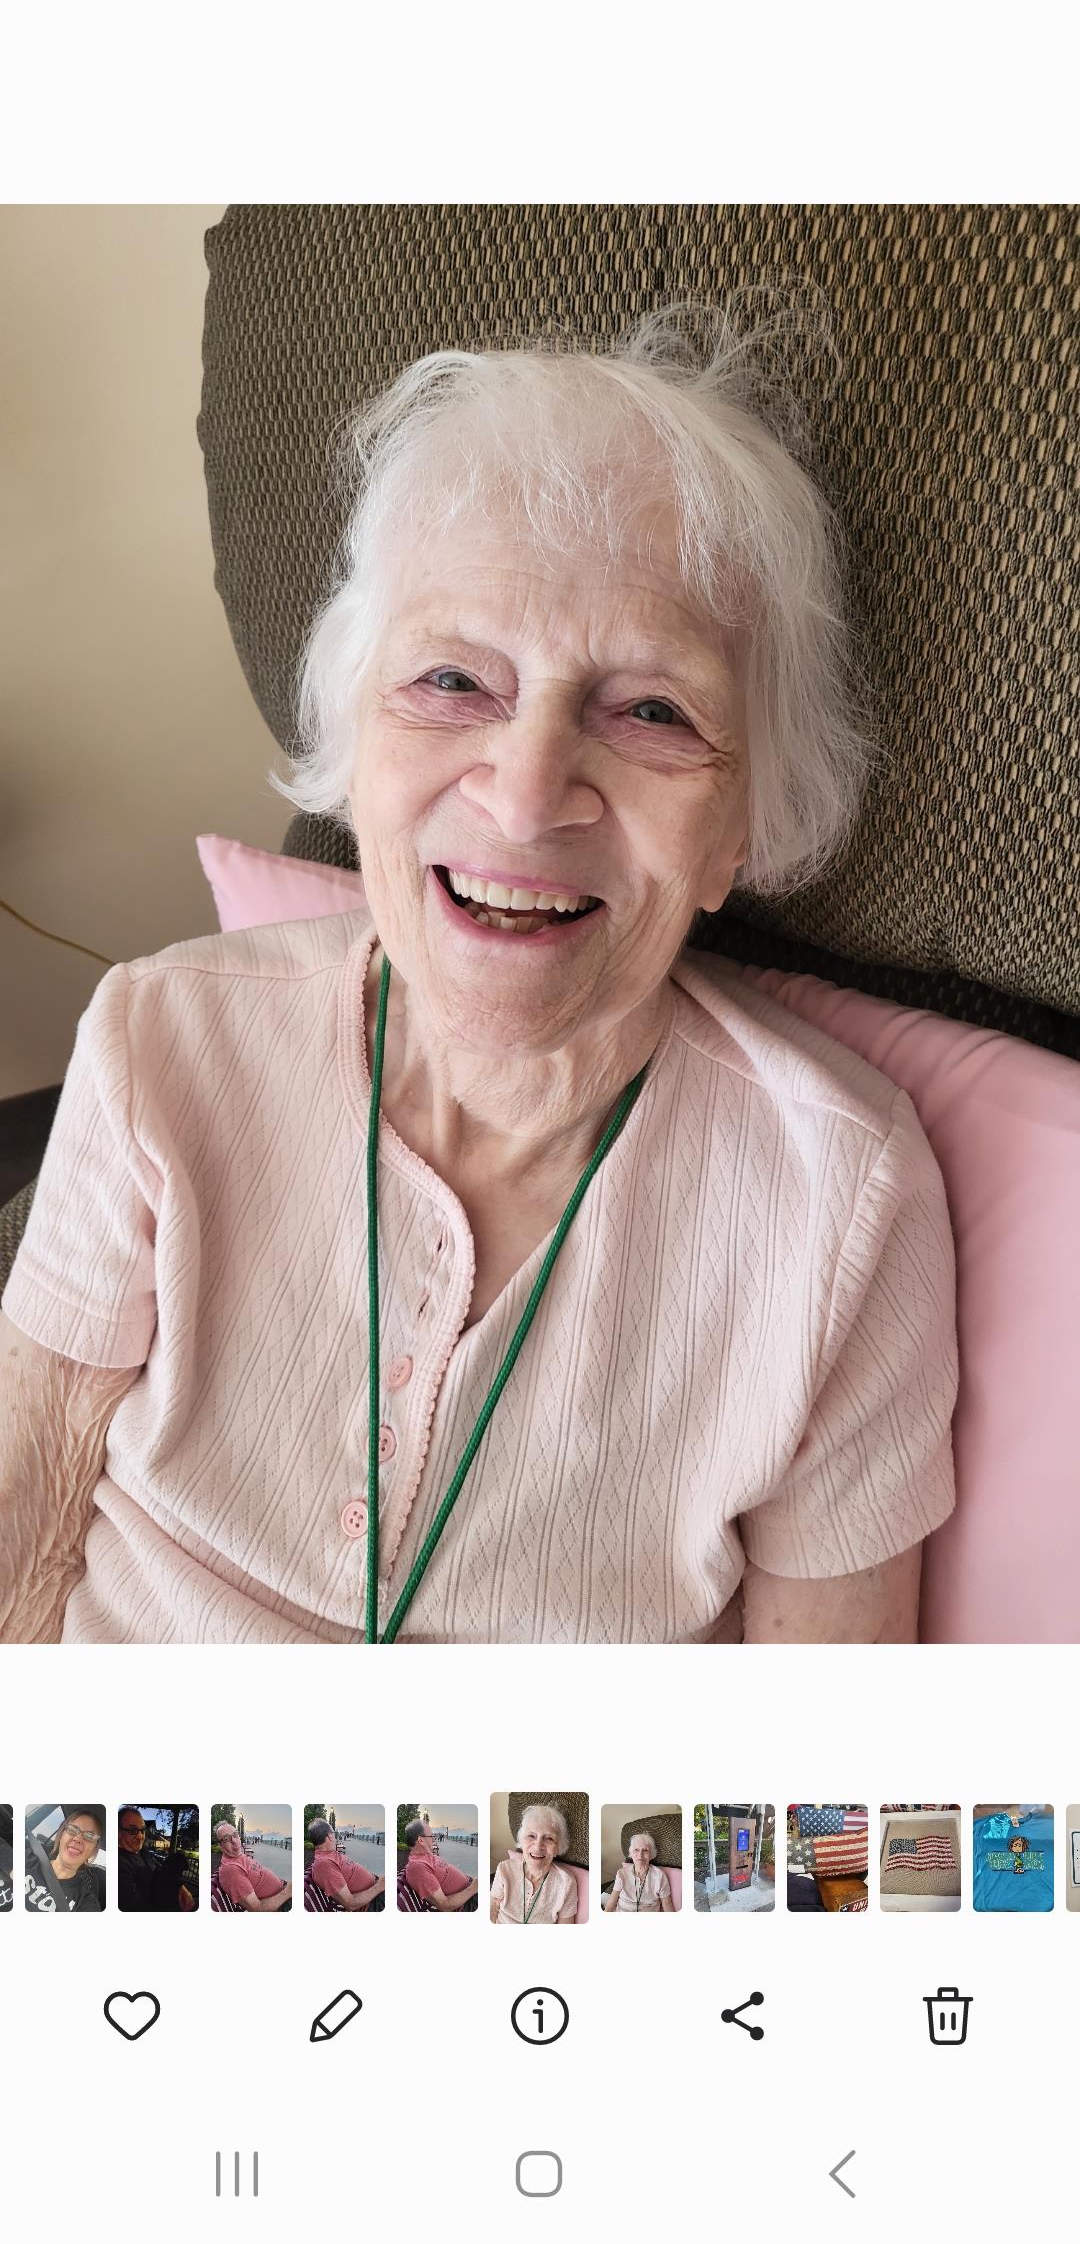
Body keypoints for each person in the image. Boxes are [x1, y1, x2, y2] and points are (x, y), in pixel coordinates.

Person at [0, 315, 958, 1647]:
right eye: (453, 679)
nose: (523, 794)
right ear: (354, 736)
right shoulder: (164, 1036)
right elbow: (23, 1519)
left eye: (652, 711)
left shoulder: (841, 1203)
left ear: (748, 822)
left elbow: (841, 1781)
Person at [490, 1804, 579, 1925]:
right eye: (531, 1836)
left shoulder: (566, 1883)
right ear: (521, 1841)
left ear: (559, 1847)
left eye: (549, 1838)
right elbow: (492, 1907)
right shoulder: (504, 1868)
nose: (538, 1846)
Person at [25, 1806, 105, 1911]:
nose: (78, 1839)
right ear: (61, 1834)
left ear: (93, 1851)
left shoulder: (86, 1902)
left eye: (89, 1836)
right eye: (72, 1829)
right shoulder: (27, 1855)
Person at [116, 1805, 196, 1910]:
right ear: (118, 1832)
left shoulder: (143, 1852)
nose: (140, 1836)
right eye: (132, 1830)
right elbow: (134, 1905)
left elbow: (160, 1869)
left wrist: (180, 1886)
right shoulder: (118, 1863)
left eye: (142, 1830)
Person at [400, 1817, 477, 1910]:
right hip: (469, 1902)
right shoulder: (417, 1867)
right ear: (421, 1840)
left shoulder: (425, 1855)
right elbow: (445, 1905)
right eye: (431, 1836)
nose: (434, 1839)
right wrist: (473, 1888)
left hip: (470, 1890)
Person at [213, 1820, 291, 1910]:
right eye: (226, 1839)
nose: (234, 1841)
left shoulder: (238, 1856)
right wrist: (287, 1892)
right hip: (282, 1905)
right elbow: (257, 1909)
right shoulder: (231, 1870)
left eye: (235, 1835)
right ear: (220, 1845)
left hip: (283, 1890)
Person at [307, 1817, 382, 1909]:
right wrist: (379, 1886)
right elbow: (350, 1903)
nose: (336, 1838)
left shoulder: (329, 1854)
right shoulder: (324, 1864)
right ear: (330, 1836)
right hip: (372, 1902)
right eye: (334, 1834)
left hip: (375, 1888)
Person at [605, 1830, 673, 1913]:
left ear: (651, 1854)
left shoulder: (660, 1876)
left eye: (645, 1850)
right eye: (636, 1850)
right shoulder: (621, 1873)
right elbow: (612, 1901)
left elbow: (667, 1904)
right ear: (631, 1853)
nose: (640, 1855)